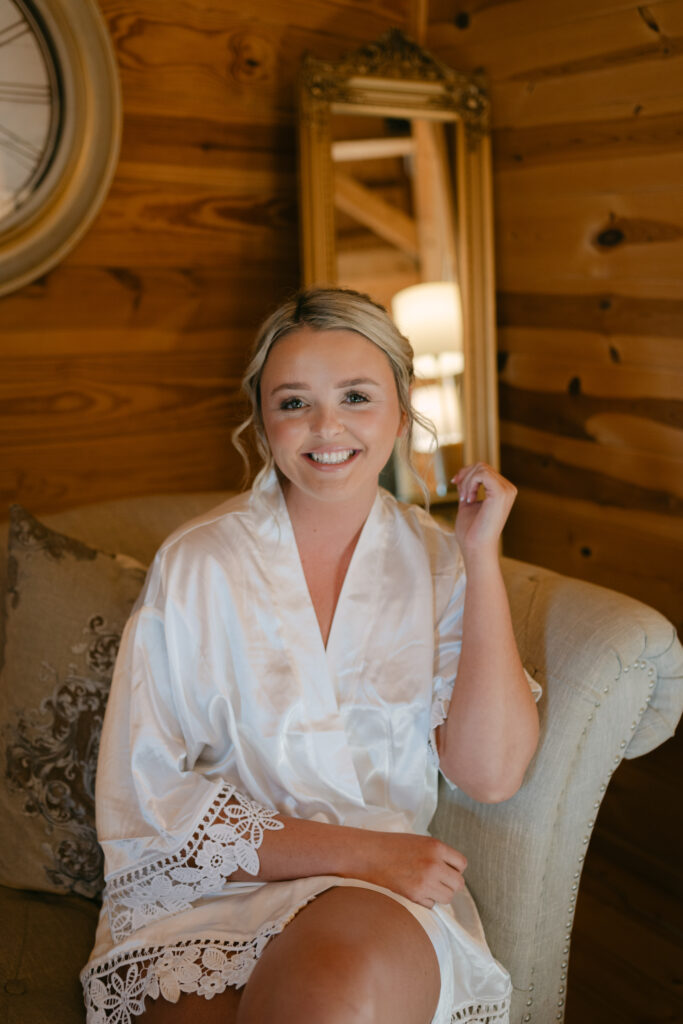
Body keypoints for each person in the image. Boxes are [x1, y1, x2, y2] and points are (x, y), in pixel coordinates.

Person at [81, 287, 540, 1024]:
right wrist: (361, 850)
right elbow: (145, 797)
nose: (325, 428)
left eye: (355, 396)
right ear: (262, 419)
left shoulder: (438, 563)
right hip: (212, 892)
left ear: (401, 404)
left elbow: (488, 772)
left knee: (327, 998)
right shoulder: (199, 563)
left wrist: (479, 558)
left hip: (374, 902)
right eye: (293, 403)